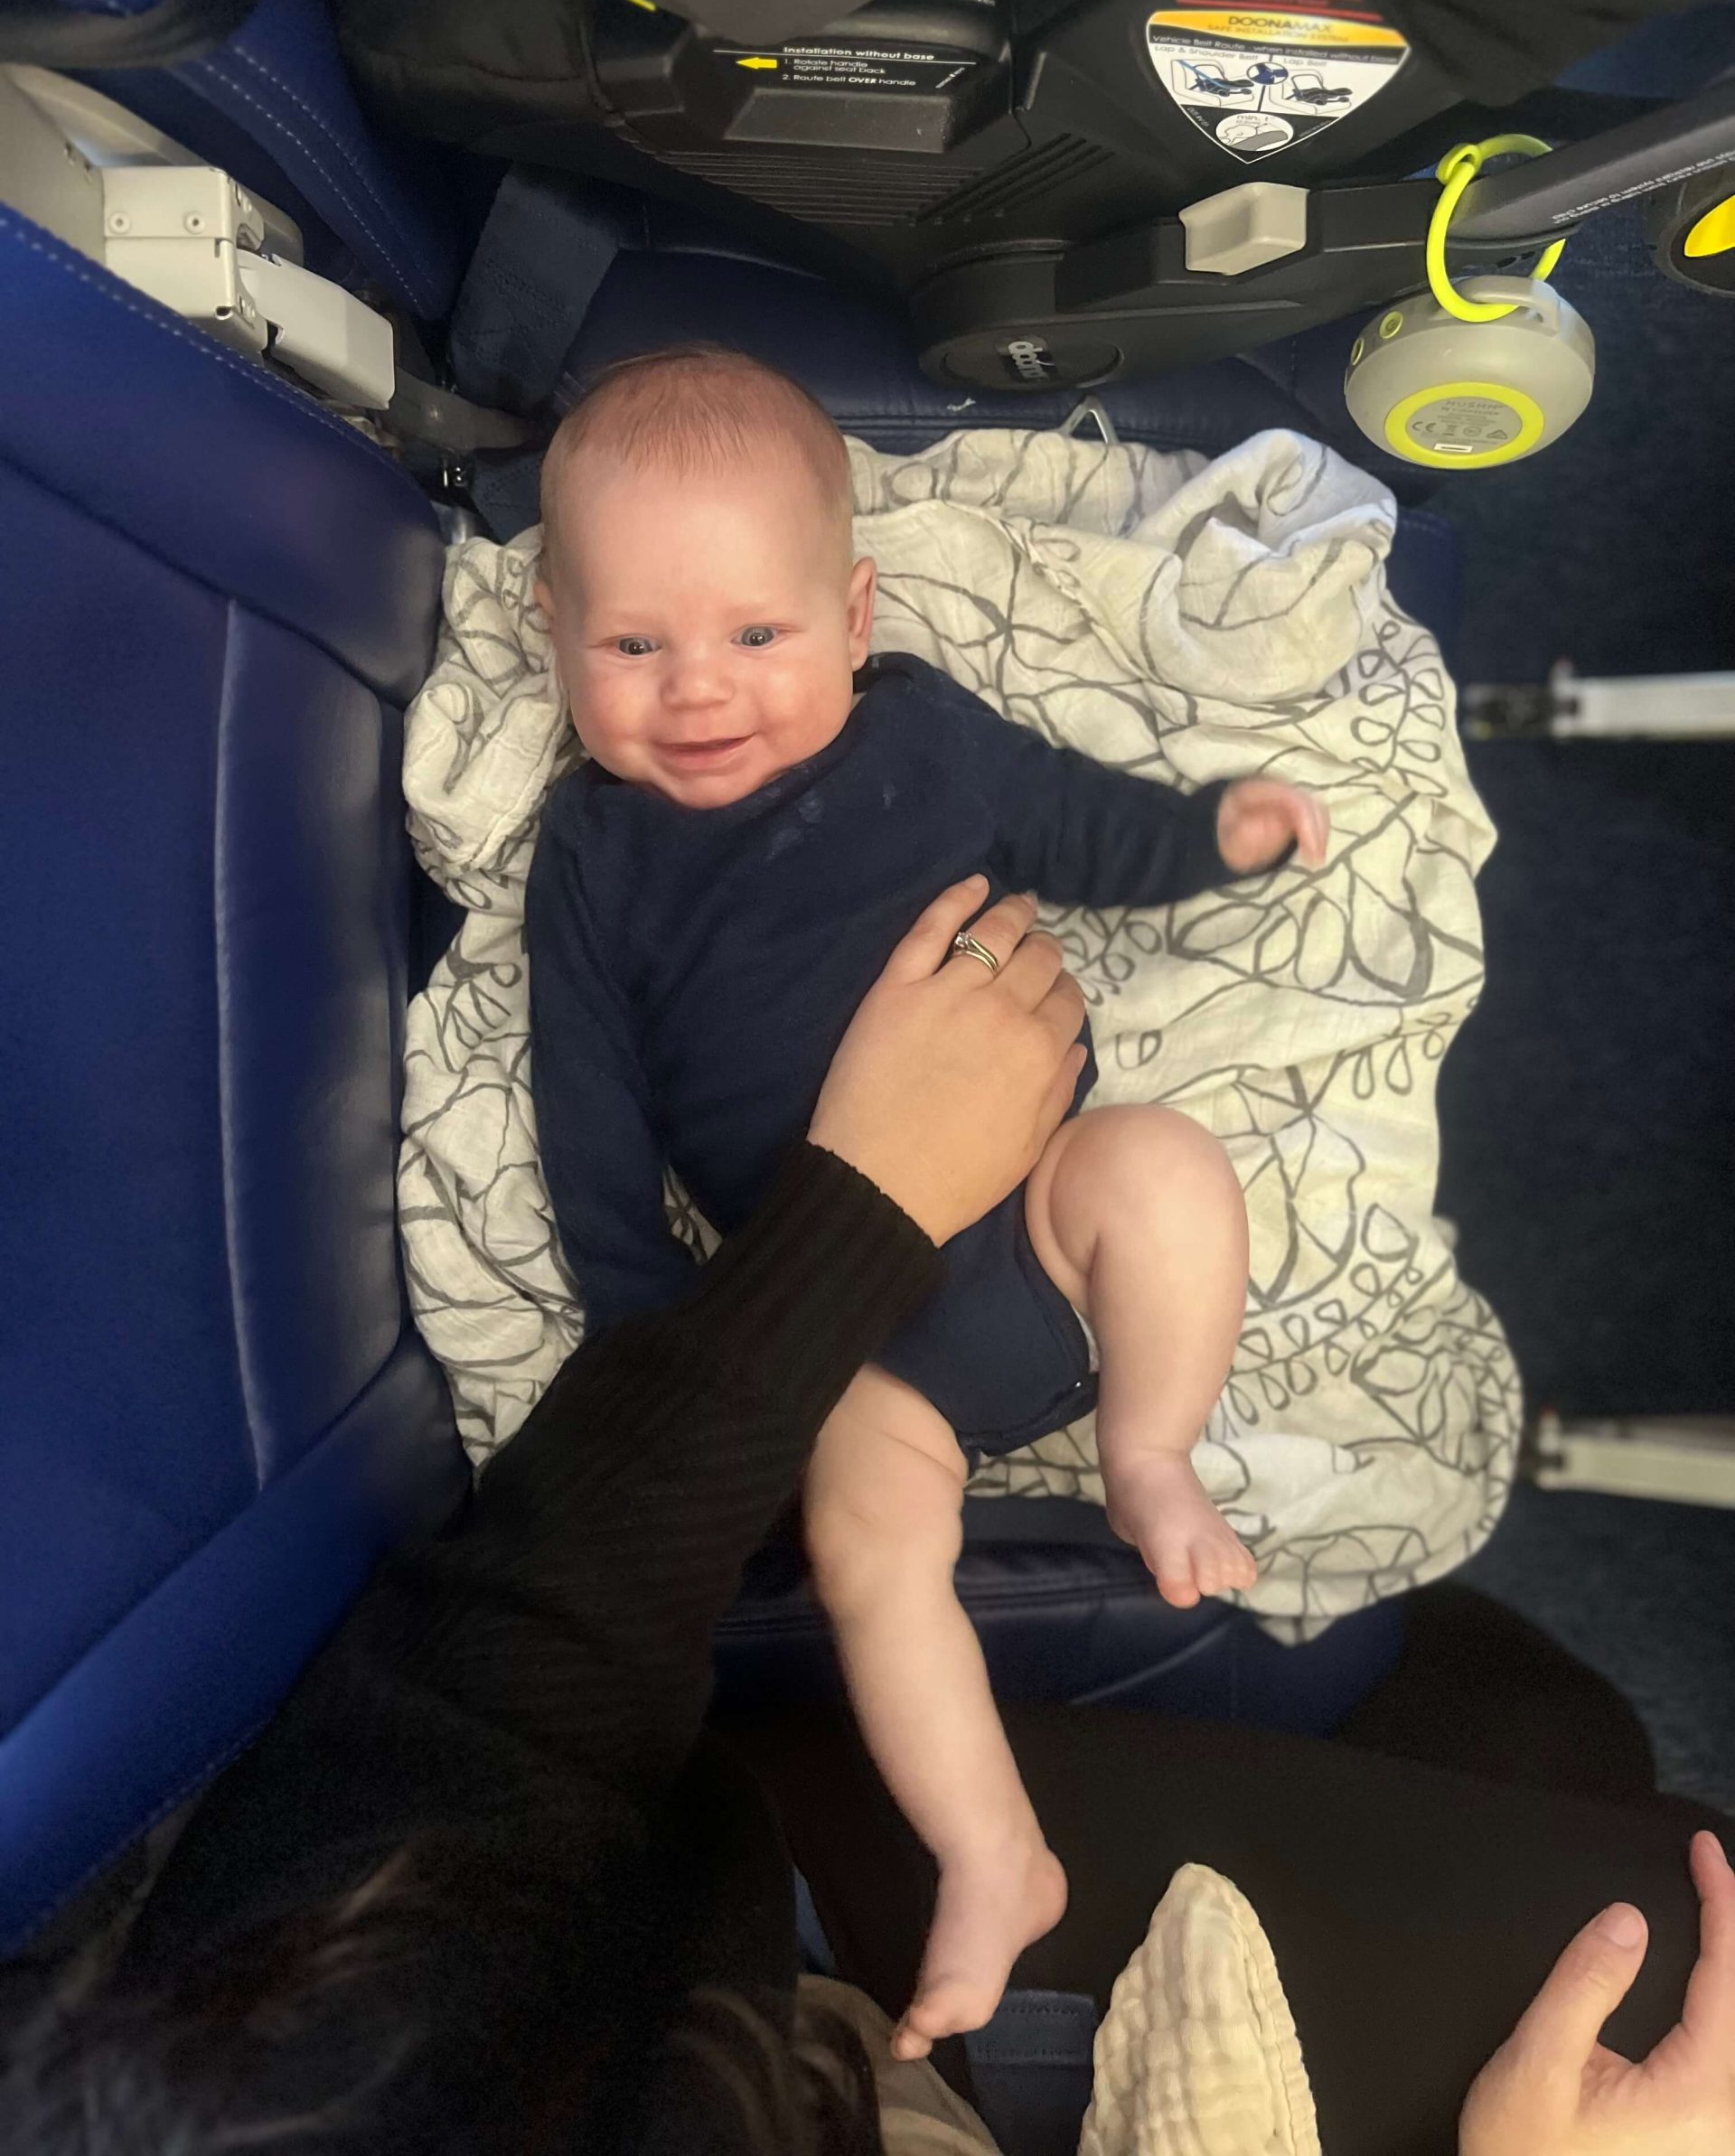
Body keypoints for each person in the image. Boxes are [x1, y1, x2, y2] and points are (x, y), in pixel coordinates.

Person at [5, 883, 1733, 2156]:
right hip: (917, 2039)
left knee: (1541, 1726)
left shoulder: (272, 2084)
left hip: (768, 1963)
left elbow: (498, 1683)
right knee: (1567, 1765)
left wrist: (862, 1209)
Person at [526, 343, 1332, 2054]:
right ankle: (993, 1852)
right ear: (552, 633)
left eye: (759, 636)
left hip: (1049, 1212)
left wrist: (1215, 838)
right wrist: (655, 1356)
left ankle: (1148, 1446)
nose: (700, 693)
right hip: (850, 1333)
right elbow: (586, 1120)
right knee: (865, 1537)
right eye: (632, 645)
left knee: (1169, 1167)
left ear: (857, 612)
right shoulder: (593, 862)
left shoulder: (931, 743)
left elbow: (1082, 824)